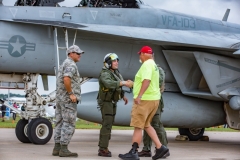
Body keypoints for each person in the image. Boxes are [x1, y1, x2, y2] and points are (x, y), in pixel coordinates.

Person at [119, 46, 169, 160]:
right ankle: (160, 147)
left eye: (140, 54)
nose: (139, 56)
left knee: (138, 126)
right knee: (146, 125)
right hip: (154, 99)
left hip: (145, 100)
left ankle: (134, 152)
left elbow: (146, 80)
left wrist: (139, 96)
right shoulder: (154, 65)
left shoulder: (146, 65)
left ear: (145, 54)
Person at [97, 53, 133, 157]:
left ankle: (104, 147)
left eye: (117, 60)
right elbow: (109, 84)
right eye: (114, 61)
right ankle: (103, 149)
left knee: (109, 125)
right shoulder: (104, 73)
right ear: (108, 63)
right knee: (107, 125)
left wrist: (122, 95)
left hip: (112, 102)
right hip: (106, 102)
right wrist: (124, 83)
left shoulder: (115, 72)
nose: (116, 62)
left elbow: (117, 86)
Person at [52, 45, 84, 157]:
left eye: (80, 53)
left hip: (60, 99)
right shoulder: (71, 64)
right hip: (67, 100)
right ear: (71, 53)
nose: (80, 55)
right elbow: (66, 78)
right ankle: (64, 149)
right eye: (77, 53)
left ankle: (57, 148)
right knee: (69, 123)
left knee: (59, 122)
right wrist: (71, 94)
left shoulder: (64, 63)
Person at [138, 65, 169, 158]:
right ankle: (146, 149)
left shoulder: (158, 70)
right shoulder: (148, 70)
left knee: (156, 125)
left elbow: (156, 84)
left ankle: (164, 149)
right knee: (147, 124)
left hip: (155, 100)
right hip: (148, 100)